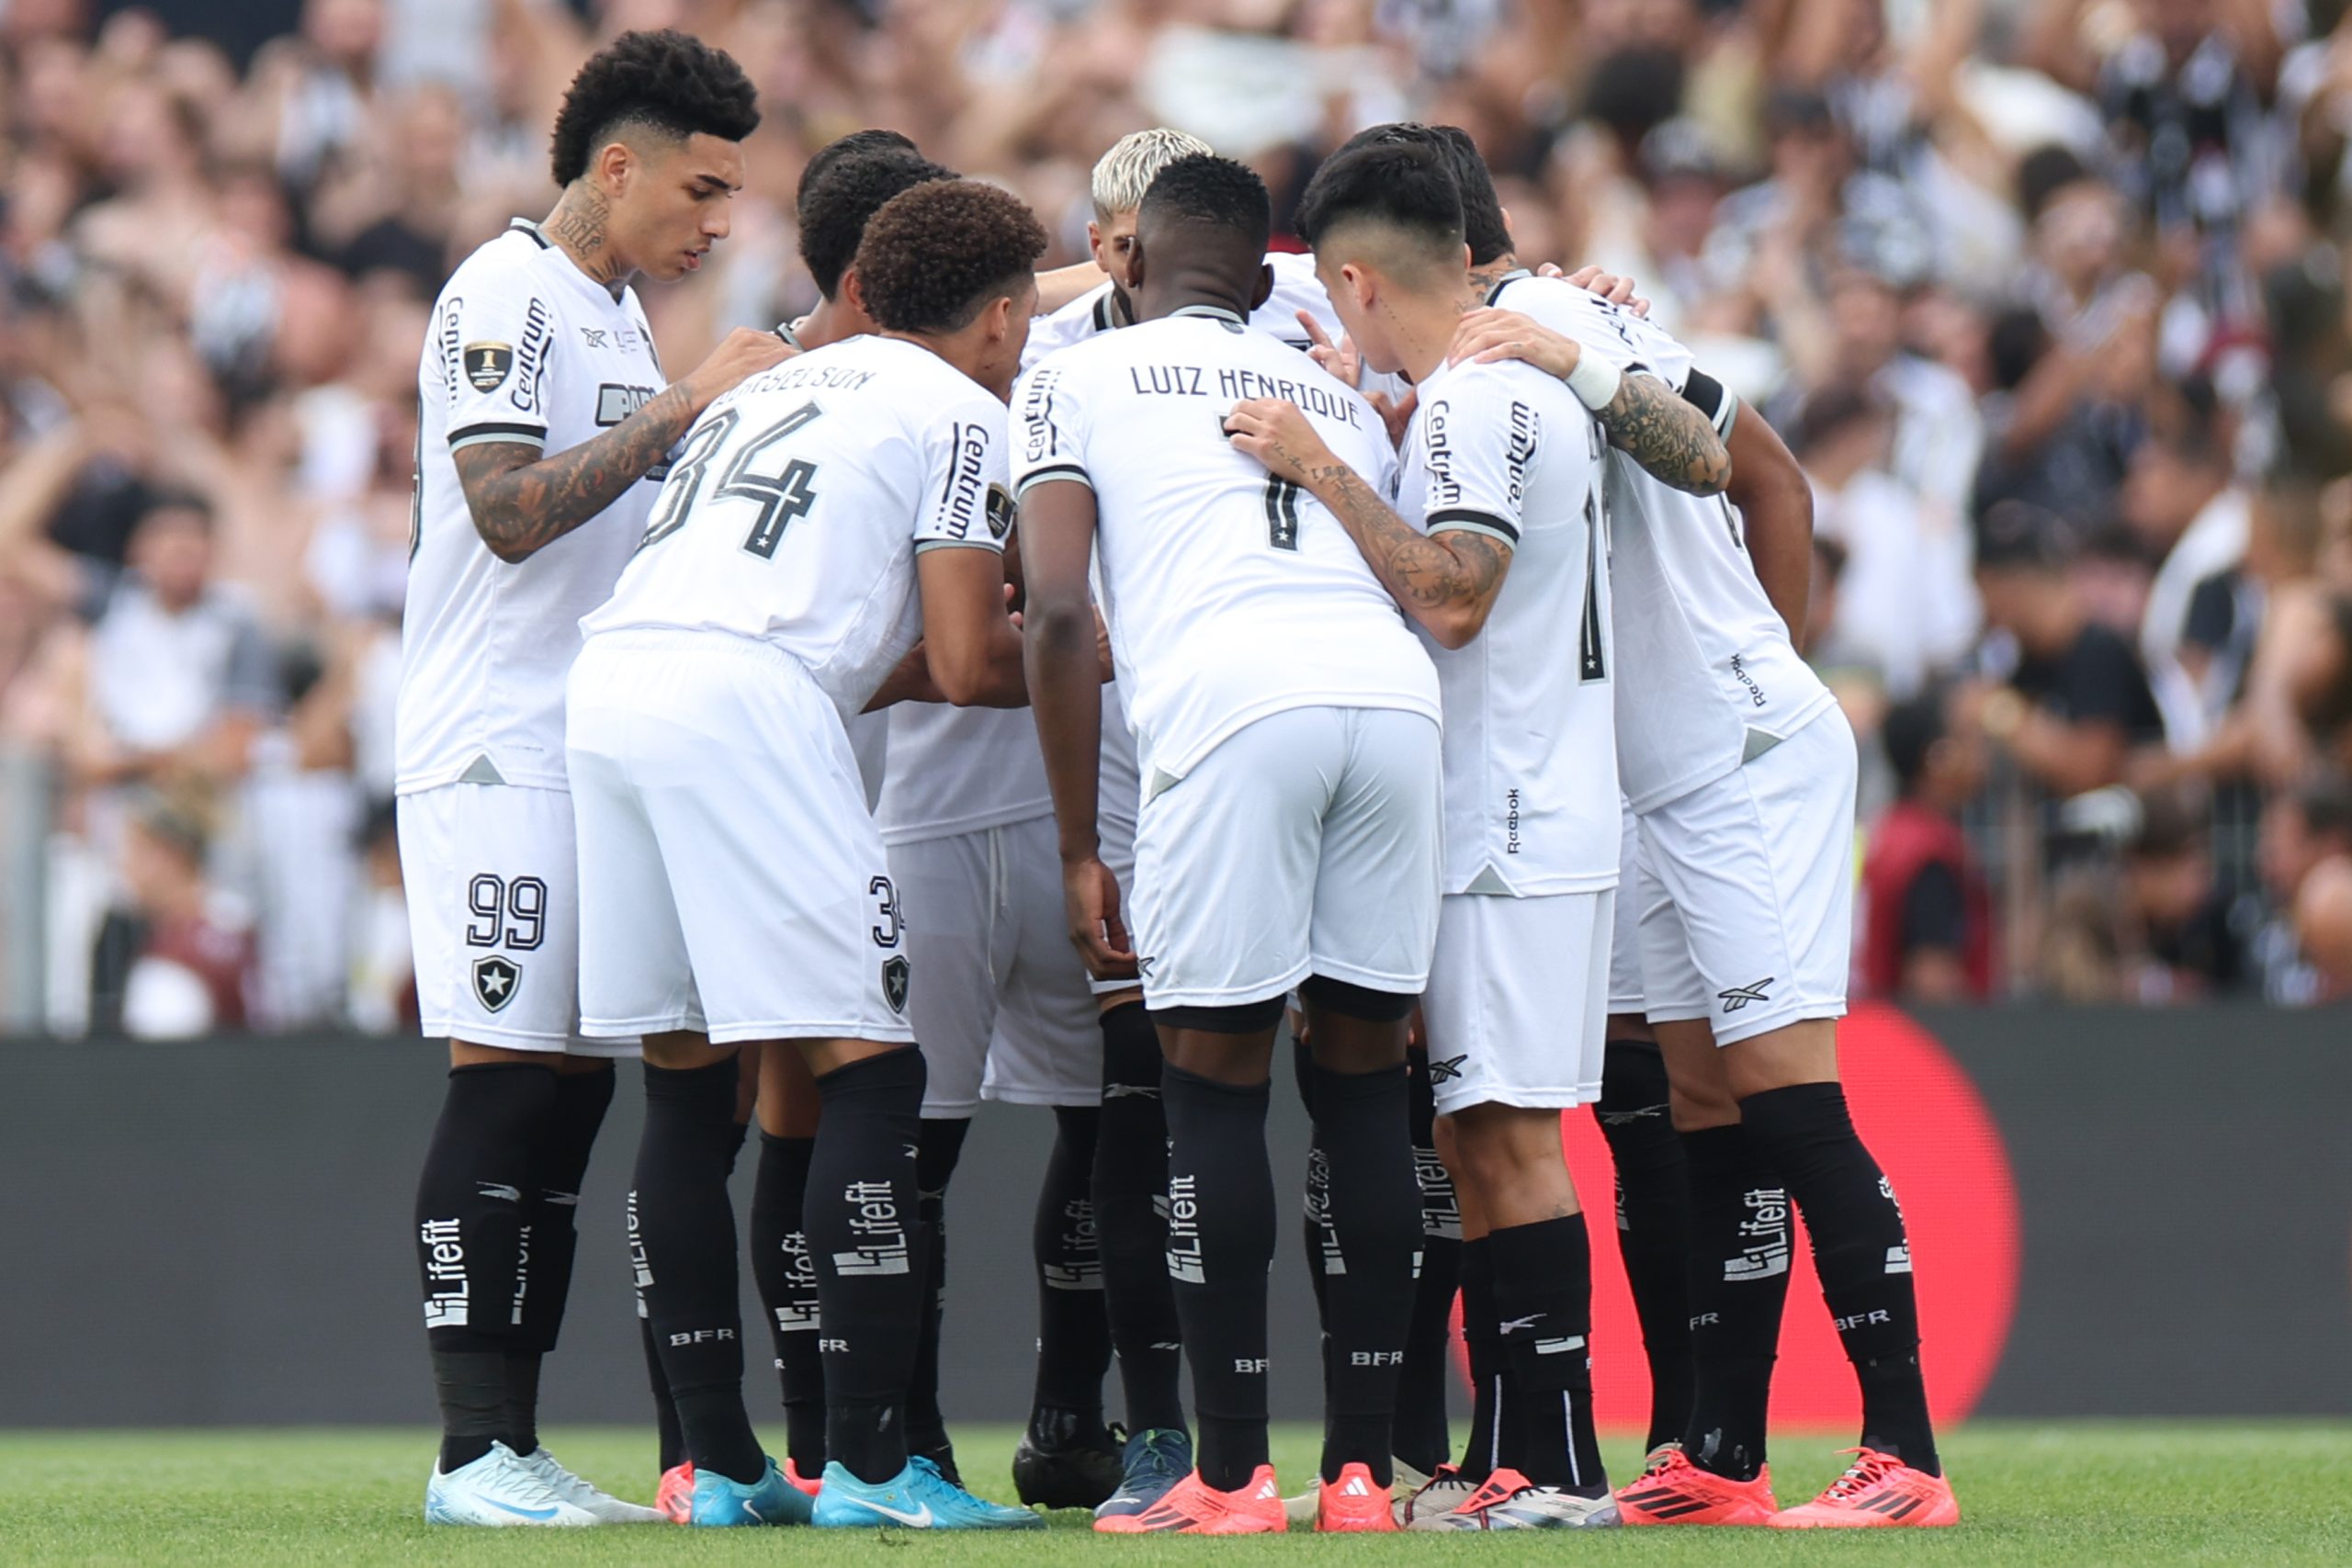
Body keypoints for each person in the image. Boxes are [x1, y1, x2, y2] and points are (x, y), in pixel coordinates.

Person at [1445, 169, 1960, 1534]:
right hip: (1663, 776)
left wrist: (1756, 677)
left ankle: (1902, 1452)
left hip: (1735, 755)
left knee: (1791, 1098)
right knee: (1707, 1105)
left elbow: (1767, 474)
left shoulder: (1562, 326)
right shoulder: (1486, 346)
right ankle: (1721, 1449)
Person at [566, 175, 1048, 1533]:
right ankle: (878, 1468)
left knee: (681, 1079)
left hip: (613, 685)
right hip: (746, 699)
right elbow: (963, 655)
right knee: (872, 1068)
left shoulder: (779, 379)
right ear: (1001, 318)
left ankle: (715, 1463)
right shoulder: (962, 407)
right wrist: (1114, 657)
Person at [1018, 152, 1441, 1536]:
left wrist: (1084, 845)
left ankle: (1233, 1468)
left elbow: (1061, 615)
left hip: (1231, 713)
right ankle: (1366, 1472)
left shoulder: (1072, 375)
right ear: (1266, 280)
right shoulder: (1327, 392)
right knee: (1367, 1088)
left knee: (1209, 1087)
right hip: (1393, 707)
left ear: (1126, 267)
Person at [399, 28, 786, 1529]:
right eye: (698, 189)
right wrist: (687, 410)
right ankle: (468, 1451)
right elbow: (504, 512)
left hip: (585, 736)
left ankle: (516, 1446)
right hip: (496, 742)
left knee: (564, 1106)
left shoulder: (611, 310)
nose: (715, 221)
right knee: (504, 1089)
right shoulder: (507, 292)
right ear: (611, 168)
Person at [1227, 137, 1621, 1530]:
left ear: (1355, 278)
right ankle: (1515, 1450)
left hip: (1506, 814)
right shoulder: (1499, 388)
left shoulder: (1471, 399)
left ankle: (1561, 1462)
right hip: (1526, 802)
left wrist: (1325, 468)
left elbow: (1455, 596)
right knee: (1480, 1138)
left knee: (1507, 1139)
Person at [1863, 687, 1995, 1001]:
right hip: (1906, 1038)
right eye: (1967, 738)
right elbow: (1932, 981)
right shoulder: (1928, 853)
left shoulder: (1885, 831)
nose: (1981, 752)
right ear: (1938, 757)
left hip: (1864, 1026)